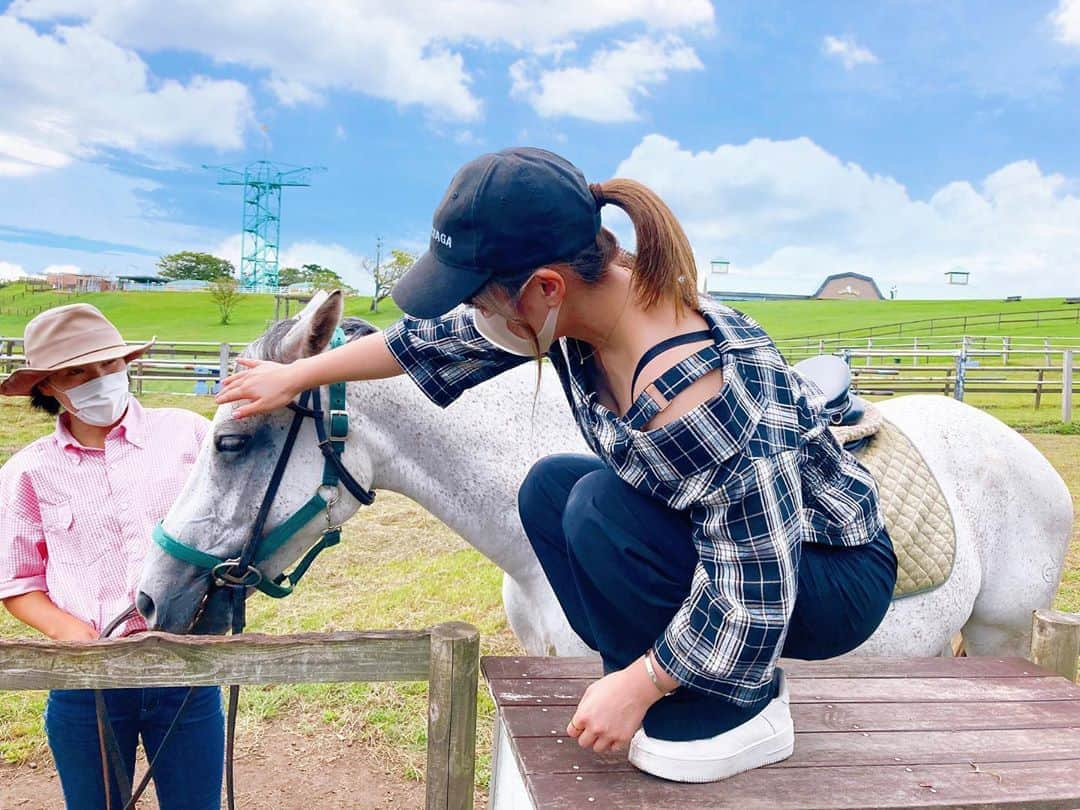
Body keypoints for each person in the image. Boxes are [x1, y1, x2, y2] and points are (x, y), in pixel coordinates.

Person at [216, 147, 897, 783]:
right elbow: (431, 345)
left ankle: (739, 708)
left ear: (544, 289)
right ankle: (664, 675)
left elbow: (757, 590)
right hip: (743, 551)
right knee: (551, 489)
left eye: (478, 297)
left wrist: (641, 684)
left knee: (596, 506)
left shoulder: (704, 395)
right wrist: (298, 375)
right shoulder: (589, 301)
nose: (469, 314)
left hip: (819, 570)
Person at [0, 304, 225, 809]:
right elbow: (17, 583)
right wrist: (70, 634)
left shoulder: (190, 436)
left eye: (109, 365)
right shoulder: (28, 472)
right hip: (87, 679)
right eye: (77, 372)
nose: (99, 380)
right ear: (46, 387)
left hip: (183, 668)